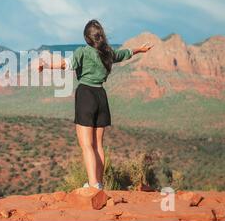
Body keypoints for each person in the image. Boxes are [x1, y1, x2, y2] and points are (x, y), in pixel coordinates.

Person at [38, 19, 153, 189]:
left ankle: (93, 185)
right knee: (98, 144)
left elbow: (66, 64)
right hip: (101, 96)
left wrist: (47, 65)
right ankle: (98, 183)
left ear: (86, 37)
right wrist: (140, 50)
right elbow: (124, 53)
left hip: (86, 95)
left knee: (86, 145)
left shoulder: (82, 52)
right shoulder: (107, 53)